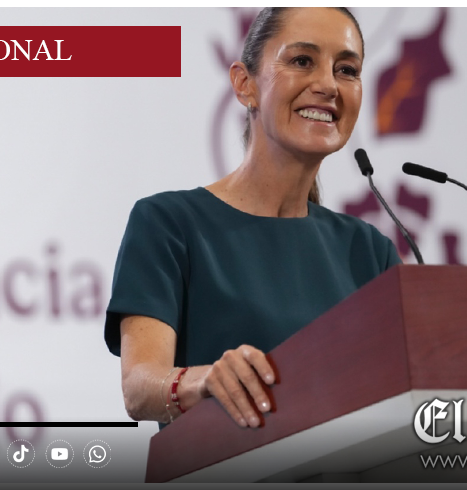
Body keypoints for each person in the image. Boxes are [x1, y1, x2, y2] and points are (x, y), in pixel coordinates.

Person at [104, 7, 402, 430]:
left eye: (346, 70)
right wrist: (205, 380)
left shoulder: (371, 252)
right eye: (302, 60)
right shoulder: (169, 223)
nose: (328, 84)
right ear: (245, 85)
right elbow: (139, 387)